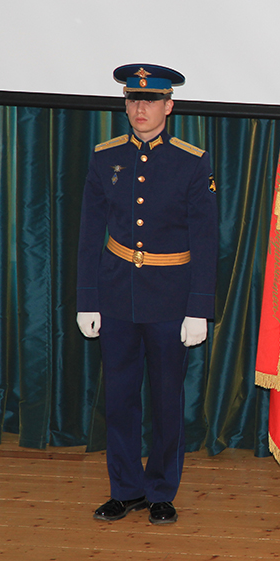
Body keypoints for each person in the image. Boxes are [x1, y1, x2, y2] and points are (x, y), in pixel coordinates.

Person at [76, 63, 218, 525]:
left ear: (168, 106)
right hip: (117, 295)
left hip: (170, 299)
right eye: (133, 99)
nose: (141, 108)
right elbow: (89, 233)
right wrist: (87, 298)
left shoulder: (192, 161)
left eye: (151, 100)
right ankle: (125, 489)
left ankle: (160, 490)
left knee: (166, 400)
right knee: (119, 398)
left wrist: (198, 308)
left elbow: (205, 240)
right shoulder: (105, 157)